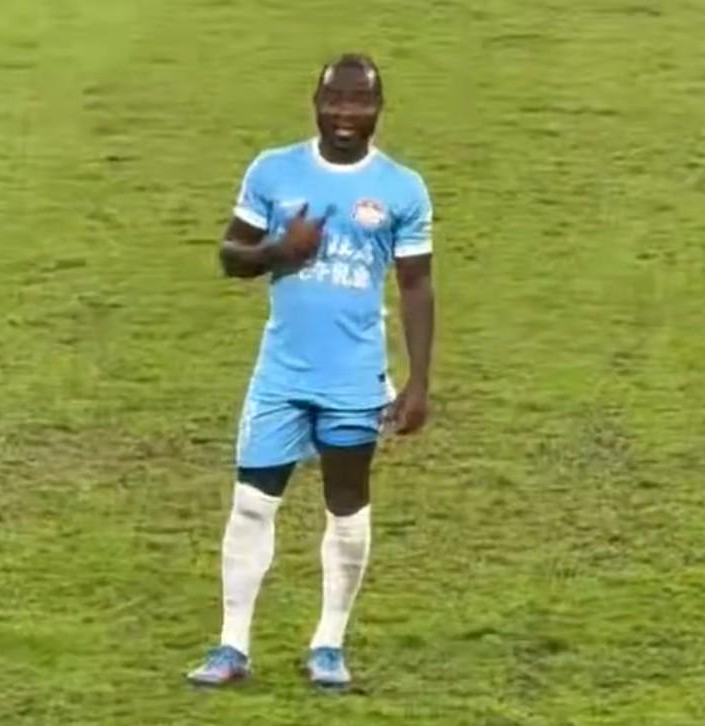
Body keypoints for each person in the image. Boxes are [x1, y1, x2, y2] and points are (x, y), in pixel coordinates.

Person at [187, 53, 435, 688]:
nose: (346, 114)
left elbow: (416, 285)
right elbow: (230, 256)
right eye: (334, 101)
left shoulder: (402, 188)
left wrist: (418, 382)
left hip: (354, 378)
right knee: (251, 503)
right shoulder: (274, 171)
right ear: (315, 103)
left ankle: (329, 643)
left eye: (360, 102)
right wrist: (279, 250)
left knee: (346, 508)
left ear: (379, 109)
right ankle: (232, 646)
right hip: (281, 374)